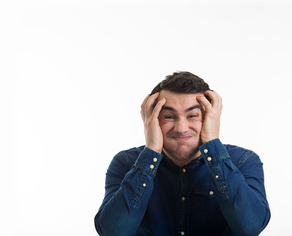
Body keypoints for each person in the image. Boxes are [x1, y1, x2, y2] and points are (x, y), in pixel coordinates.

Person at [94, 71, 271, 236]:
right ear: (152, 119)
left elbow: (250, 227)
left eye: (193, 115)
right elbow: (112, 231)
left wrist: (212, 144)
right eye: (169, 117)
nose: (181, 128)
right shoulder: (125, 163)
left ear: (211, 117)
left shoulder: (244, 161)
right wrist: (151, 152)